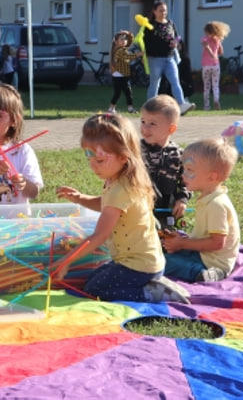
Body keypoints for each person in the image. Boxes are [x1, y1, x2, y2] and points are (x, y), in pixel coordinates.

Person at [52, 113, 190, 303]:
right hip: (137, 262)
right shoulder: (118, 179)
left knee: (95, 290)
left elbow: (99, 235)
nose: (92, 165)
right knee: (92, 279)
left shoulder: (121, 189)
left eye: (99, 160)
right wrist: (80, 199)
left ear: (124, 157)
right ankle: (153, 282)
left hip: (139, 266)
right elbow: (107, 205)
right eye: (89, 157)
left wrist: (67, 260)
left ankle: (151, 293)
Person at [161, 138, 240, 283]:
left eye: (190, 170)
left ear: (212, 176)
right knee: (162, 253)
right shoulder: (207, 198)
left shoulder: (217, 204)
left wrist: (183, 244)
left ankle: (205, 274)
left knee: (162, 262)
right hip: (203, 254)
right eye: (184, 169)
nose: (183, 174)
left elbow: (217, 243)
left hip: (213, 263)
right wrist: (182, 241)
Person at [140, 95, 190, 232]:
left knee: (167, 240)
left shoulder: (179, 154)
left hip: (167, 210)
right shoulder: (135, 151)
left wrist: (182, 199)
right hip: (140, 211)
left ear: (171, 129)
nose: (145, 128)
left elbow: (187, 181)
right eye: (143, 121)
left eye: (152, 124)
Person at [144, 1, 194, 115]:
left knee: (175, 82)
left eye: (165, 10)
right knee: (154, 83)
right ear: (154, 11)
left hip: (169, 58)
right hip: (155, 59)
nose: (163, 13)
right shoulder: (150, 25)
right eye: (161, 10)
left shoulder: (170, 23)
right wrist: (145, 55)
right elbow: (145, 42)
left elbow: (177, 37)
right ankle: (150, 107)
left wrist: (175, 43)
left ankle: (181, 104)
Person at [108, 30, 142, 113]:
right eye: (121, 39)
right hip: (119, 76)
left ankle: (126, 108)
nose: (124, 41)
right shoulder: (119, 51)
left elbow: (130, 41)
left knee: (126, 92)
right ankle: (112, 108)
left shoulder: (124, 49)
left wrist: (129, 34)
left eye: (125, 39)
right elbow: (128, 56)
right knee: (120, 93)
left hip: (124, 75)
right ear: (116, 42)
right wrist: (138, 54)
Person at [200, 21, 230, 110]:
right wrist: (216, 52)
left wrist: (211, 54)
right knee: (215, 85)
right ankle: (216, 100)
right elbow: (221, 52)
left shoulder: (204, 39)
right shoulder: (218, 39)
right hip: (216, 65)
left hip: (206, 65)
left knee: (206, 86)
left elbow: (206, 47)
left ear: (206, 31)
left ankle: (206, 106)